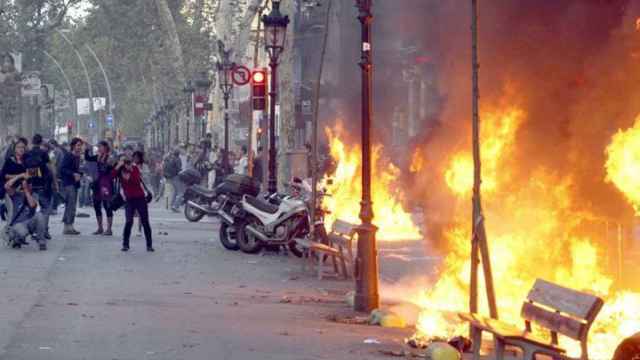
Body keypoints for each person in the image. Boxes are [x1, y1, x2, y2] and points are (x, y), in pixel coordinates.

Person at [112, 153, 154, 252]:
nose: (126, 163)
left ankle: (149, 245)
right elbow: (111, 176)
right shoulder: (119, 171)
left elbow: (136, 180)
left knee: (145, 221)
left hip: (140, 198)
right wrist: (118, 166)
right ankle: (125, 244)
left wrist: (131, 170)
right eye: (123, 161)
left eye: (127, 161)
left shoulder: (134, 169)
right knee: (129, 221)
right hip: (129, 199)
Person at [3, 167, 47, 250]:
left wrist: (27, 191)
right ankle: (16, 239)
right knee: (22, 231)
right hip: (17, 224)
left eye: (30, 184)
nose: (28, 185)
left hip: (29, 222)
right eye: (27, 183)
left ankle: (41, 241)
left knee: (40, 216)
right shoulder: (16, 195)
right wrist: (20, 176)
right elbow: (6, 186)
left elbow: (32, 204)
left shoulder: (33, 195)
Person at [27, 134, 55, 240]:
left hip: (31, 184)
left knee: (32, 208)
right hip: (44, 184)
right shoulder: (44, 153)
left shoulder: (28, 153)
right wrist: (55, 182)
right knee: (46, 209)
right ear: (41, 142)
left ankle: (32, 231)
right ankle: (44, 231)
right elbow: (50, 168)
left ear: (32, 141)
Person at [85, 140, 114, 235]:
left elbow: (110, 170)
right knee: (96, 205)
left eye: (101, 146)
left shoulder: (110, 158)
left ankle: (109, 229)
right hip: (97, 183)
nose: (99, 148)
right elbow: (88, 158)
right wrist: (87, 149)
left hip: (106, 184)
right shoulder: (98, 156)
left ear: (106, 147)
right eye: (99, 146)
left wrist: (107, 163)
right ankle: (100, 227)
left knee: (107, 206)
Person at [60, 137, 84, 235]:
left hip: (75, 183)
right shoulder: (68, 155)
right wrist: (73, 174)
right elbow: (62, 169)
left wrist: (80, 174)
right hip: (68, 183)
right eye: (78, 145)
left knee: (72, 205)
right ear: (73, 146)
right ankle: (68, 226)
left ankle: (69, 226)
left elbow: (77, 170)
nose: (79, 147)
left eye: (80, 145)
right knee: (70, 205)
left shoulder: (77, 156)